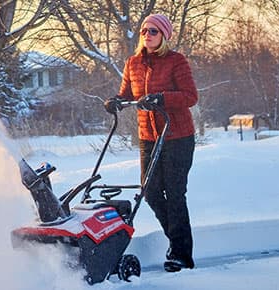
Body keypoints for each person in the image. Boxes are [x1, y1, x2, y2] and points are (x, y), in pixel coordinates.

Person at [103, 14, 198, 272]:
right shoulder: (133, 63)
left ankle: (181, 254)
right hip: (149, 138)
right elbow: (126, 94)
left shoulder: (176, 61)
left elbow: (190, 96)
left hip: (177, 136)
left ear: (164, 35)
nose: (147, 34)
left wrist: (161, 99)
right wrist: (115, 101)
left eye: (153, 31)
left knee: (176, 194)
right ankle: (176, 240)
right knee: (151, 191)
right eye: (144, 30)